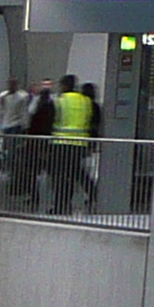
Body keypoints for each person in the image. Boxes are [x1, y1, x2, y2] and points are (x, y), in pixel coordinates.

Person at [47, 73, 95, 214]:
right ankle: (93, 194)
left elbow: (52, 119)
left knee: (59, 178)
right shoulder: (86, 101)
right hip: (80, 145)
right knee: (75, 173)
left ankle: (61, 205)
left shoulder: (59, 100)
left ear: (64, 86)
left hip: (61, 144)